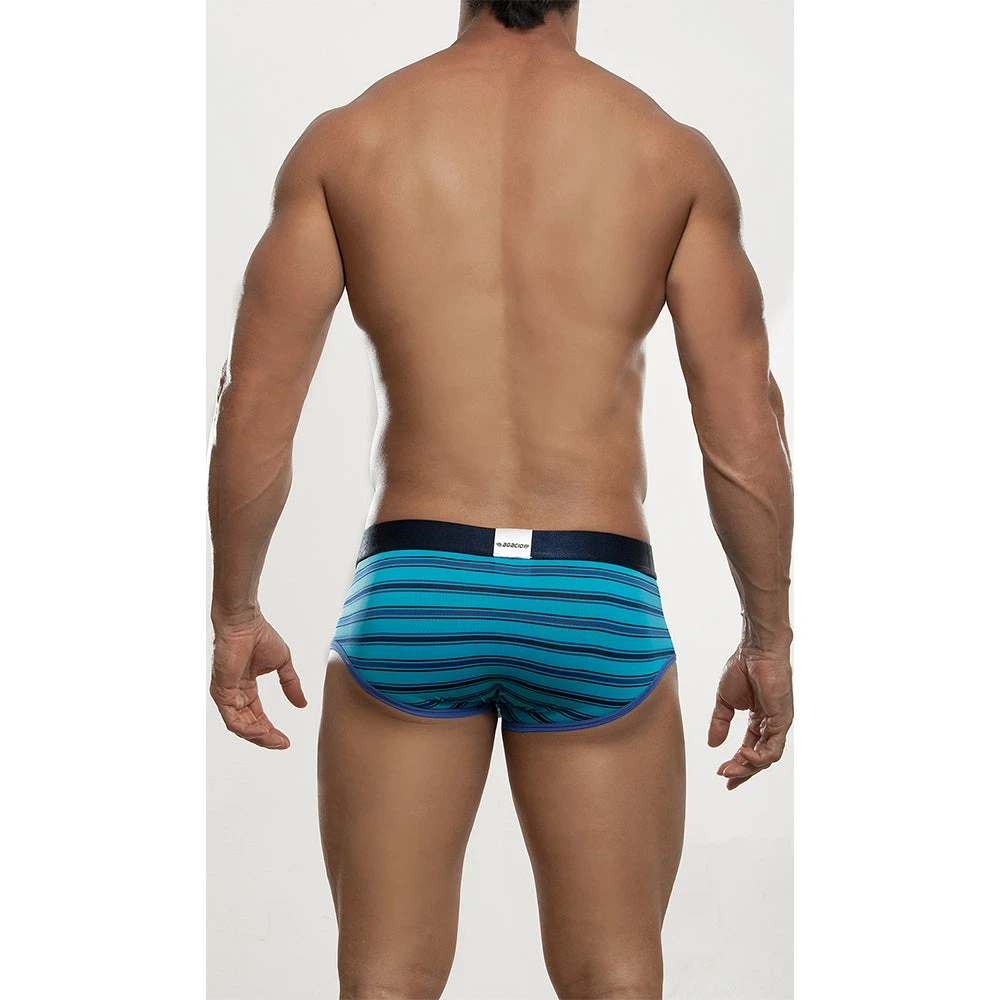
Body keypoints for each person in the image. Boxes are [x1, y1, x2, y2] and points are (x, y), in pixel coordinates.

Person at [208, 1, 794, 996]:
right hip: (592, 593)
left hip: (416, 588)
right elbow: (744, 441)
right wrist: (766, 638)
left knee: (384, 979)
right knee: (615, 977)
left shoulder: (351, 140)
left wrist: (235, 612)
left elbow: (251, 412)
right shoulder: (669, 156)